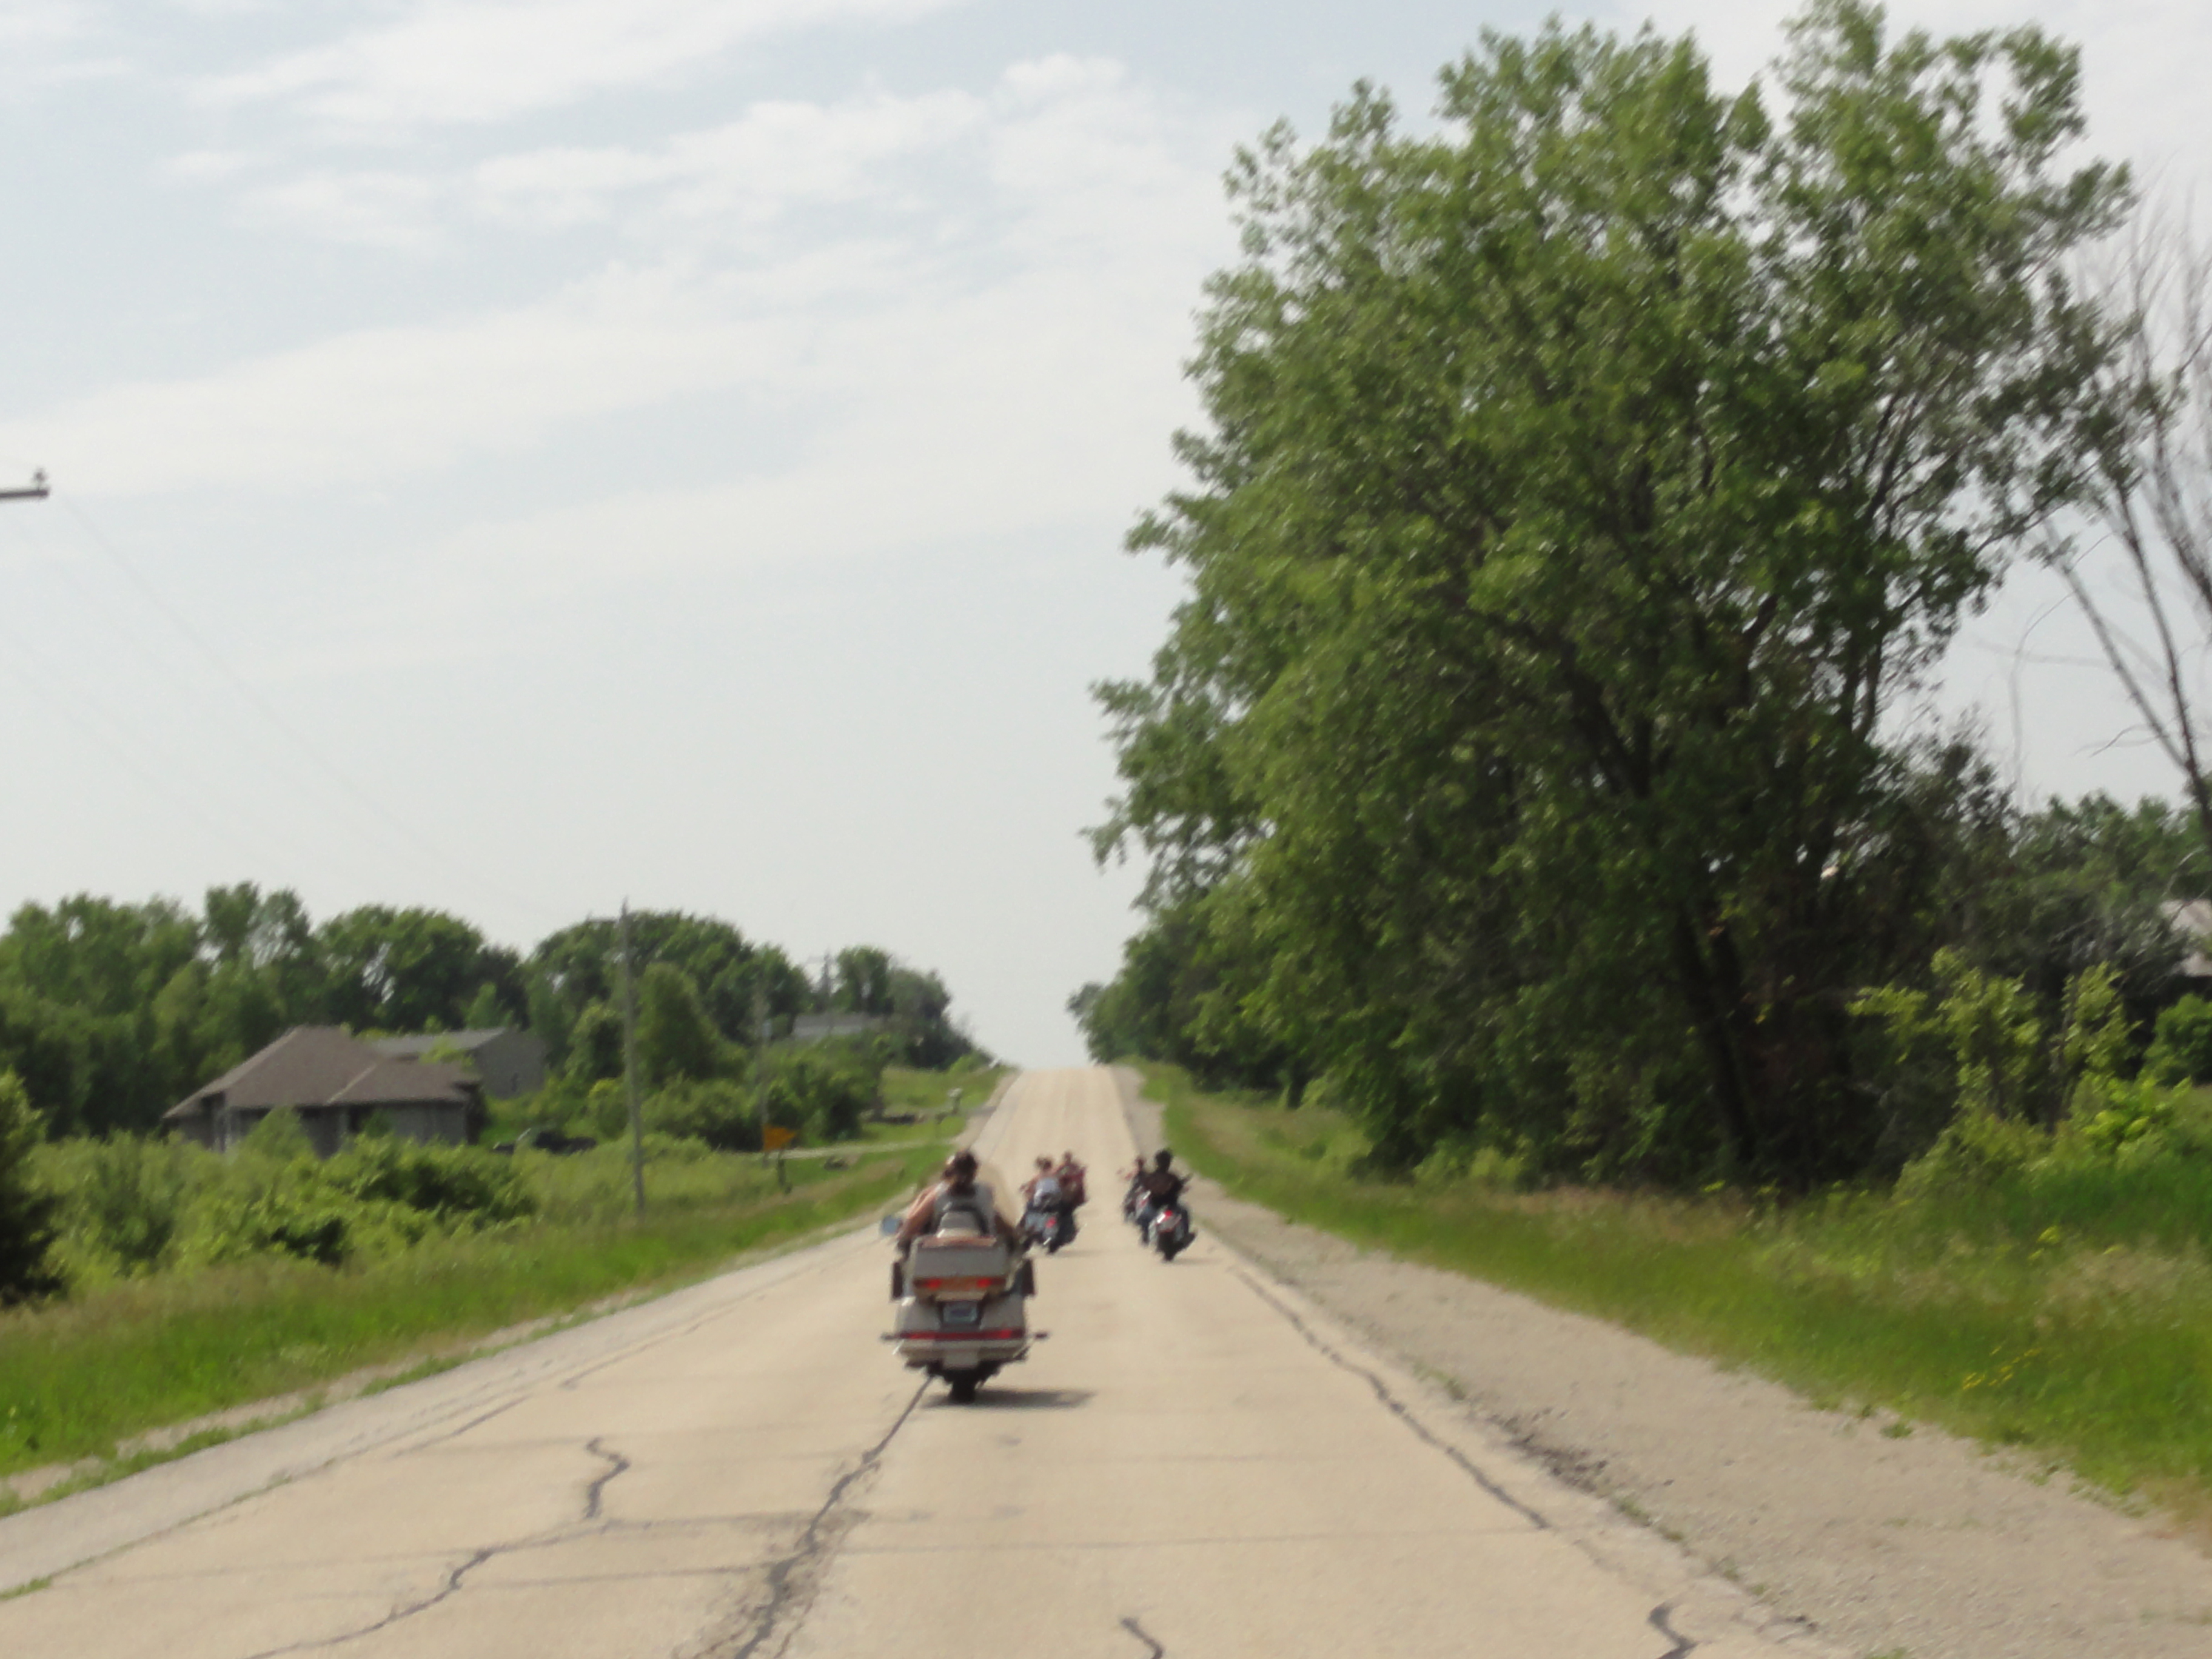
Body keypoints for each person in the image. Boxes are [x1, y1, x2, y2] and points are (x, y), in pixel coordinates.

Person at [896, 1150, 1015, 1252]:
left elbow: (912, 1222)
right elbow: (994, 1218)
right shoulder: (985, 1192)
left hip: (940, 1255)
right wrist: (1014, 1235)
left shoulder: (938, 1194)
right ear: (974, 1172)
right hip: (983, 1253)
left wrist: (904, 1237)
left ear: (948, 1173)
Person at [1134, 1148, 1186, 1242]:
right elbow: (1179, 1187)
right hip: (1171, 1207)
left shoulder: (1151, 1177)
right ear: (1169, 1163)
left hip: (1154, 1207)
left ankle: (1146, 1235)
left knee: (1142, 1218)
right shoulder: (1172, 1177)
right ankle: (1184, 1235)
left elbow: (1144, 1185)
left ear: (1157, 1162)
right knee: (1184, 1214)